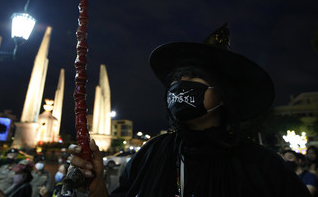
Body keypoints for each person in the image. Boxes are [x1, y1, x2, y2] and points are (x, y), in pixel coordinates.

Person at [69, 24, 311, 196]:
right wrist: (97, 186)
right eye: (177, 77)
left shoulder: (263, 166)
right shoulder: (150, 154)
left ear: (223, 94)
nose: (182, 83)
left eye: (195, 76)